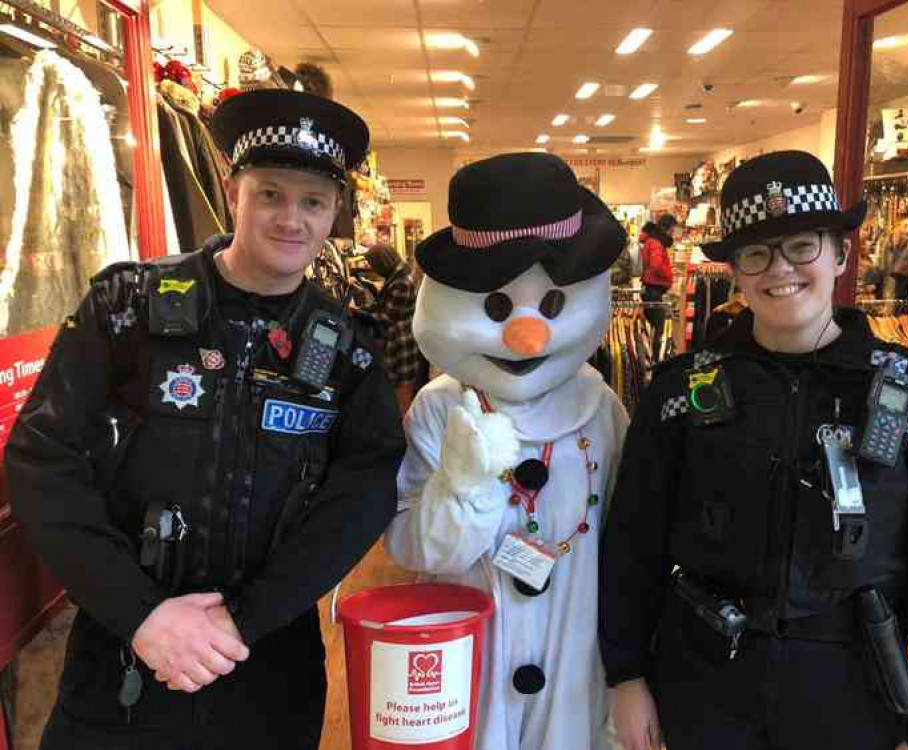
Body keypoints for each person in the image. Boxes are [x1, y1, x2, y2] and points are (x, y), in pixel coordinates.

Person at [6, 89, 406, 750]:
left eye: (312, 201)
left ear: (334, 211)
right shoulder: (126, 307)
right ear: (231, 191)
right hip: (126, 651)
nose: (290, 219)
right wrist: (142, 615)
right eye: (270, 194)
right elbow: (43, 457)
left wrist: (241, 621)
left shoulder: (347, 350)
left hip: (266, 658)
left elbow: (359, 495)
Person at [600, 150, 908, 750]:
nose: (779, 268)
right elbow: (634, 543)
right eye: (756, 252)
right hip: (705, 687)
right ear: (734, 270)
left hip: (852, 695)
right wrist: (626, 675)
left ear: (839, 253)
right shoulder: (681, 393)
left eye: (802, 245)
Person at [385, 152, 630, 750]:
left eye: (549, 307)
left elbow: (630, 543)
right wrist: (462, 488)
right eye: (498, 309)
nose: (528, 336)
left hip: (577, 644)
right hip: (472, 641)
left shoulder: (602, 410)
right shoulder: (440, 409)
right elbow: (414, 548)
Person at [364, 243, 422, 413]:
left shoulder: (402, 282)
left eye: (375, 265)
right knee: (401, 386)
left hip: (401, 342)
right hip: (402, 338)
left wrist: (359, 313)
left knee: (402, 390)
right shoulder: (401, 272)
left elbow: (386, 318)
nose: (374, 270)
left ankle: (402, 431)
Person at [639, 214, 676, 360]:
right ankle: (656, 360)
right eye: (672, 230)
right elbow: (656, 265)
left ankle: (653, 359)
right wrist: (667, 275)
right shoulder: (656, 243)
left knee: (655, 327)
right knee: (659, 329)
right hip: (653, 291)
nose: (673, 233)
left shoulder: (653, 241)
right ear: (667, 229)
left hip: (652, 290)